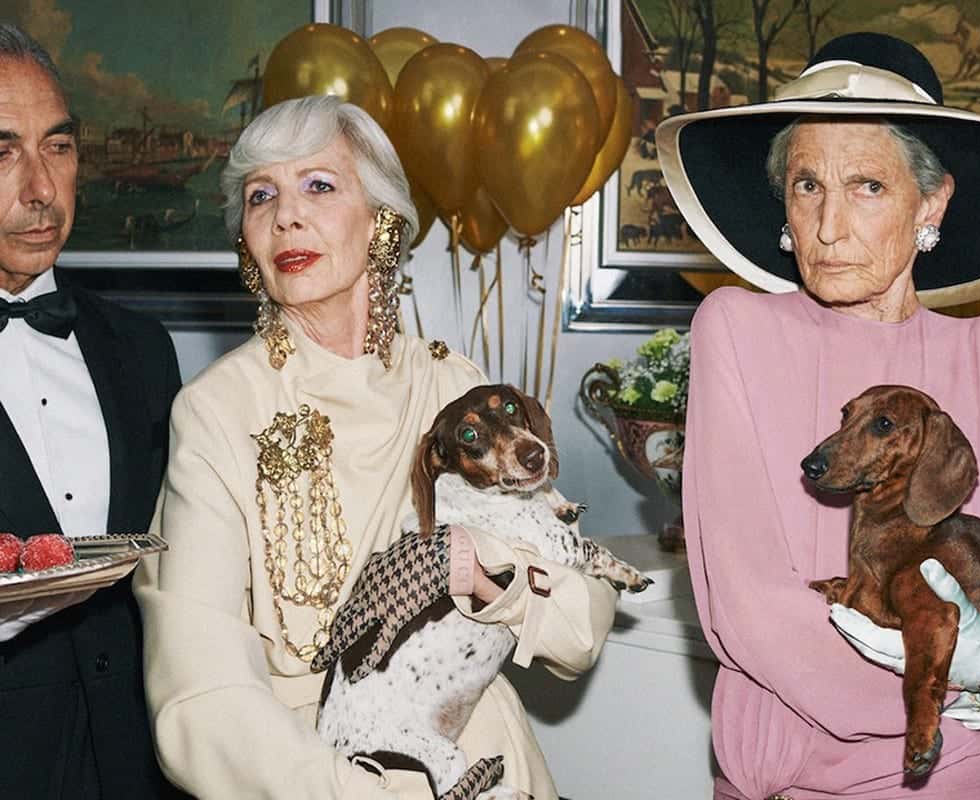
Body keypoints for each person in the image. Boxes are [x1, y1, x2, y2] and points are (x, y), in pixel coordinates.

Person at [660, 33, 980, 799]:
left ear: (931, 202)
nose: (828, 226)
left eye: (867, 185)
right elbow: (754, 609)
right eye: (807, 185)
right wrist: (976, 689)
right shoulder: (737, 329)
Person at [133, 94, 618, 799]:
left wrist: (494, 579)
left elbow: (581, 618)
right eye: (261, 195)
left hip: (485, 760)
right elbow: (198, 695)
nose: (285, 215)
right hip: (306, 775)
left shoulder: (452, 387)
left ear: (382, 219)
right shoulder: (217, 411)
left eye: (318, 185)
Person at [0, 22, 181, 799]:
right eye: (1, 152)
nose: (41, 188)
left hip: (142, 767)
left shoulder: (144, 351)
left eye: (60, 146)